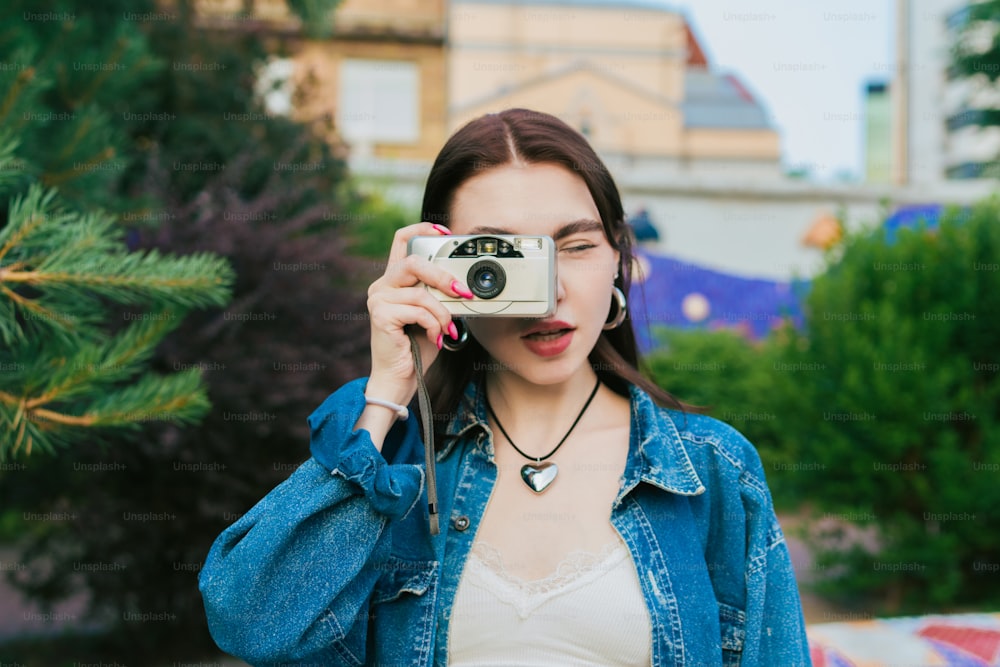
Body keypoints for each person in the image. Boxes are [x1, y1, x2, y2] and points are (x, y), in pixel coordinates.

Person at [199, 108, 812, 666]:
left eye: (574, 246)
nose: (548, 294)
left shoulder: (711, 470)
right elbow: (251, 622)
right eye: (504, 260)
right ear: (442, 269)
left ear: (617, 256)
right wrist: (387, 392)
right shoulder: (398, 463)